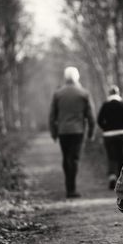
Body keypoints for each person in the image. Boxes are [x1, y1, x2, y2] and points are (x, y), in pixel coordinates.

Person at [49, 66, 95, 198]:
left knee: (66, 158)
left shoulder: (58, 94)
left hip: (63, 131)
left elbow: (52, 116)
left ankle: (69, 187)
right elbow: (91, 116)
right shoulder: (83, 93)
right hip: (78, 131)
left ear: (65, 78)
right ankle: (71, 189)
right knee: (74, 159)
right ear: (77, 77)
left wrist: (53, 132)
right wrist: (91, 133)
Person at [97, 85, 123, 189]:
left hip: (108, 135)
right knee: (122, 156)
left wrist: (105, 128)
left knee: (111, 156)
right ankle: (122, 180)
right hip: (122, 134)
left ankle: (112, 176)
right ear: (118, 93)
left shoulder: (105, 105)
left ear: (109, 94)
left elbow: (99, 120)